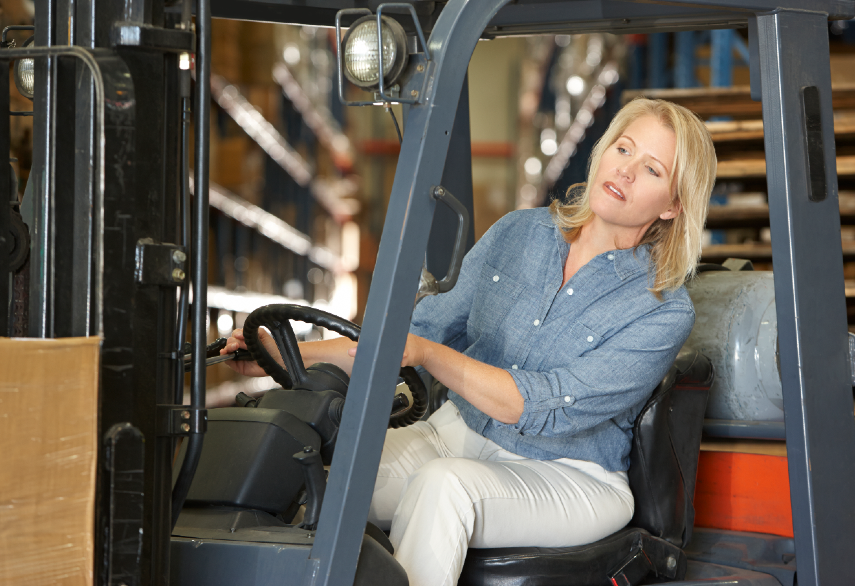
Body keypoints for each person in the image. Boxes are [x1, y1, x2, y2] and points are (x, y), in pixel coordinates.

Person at [221, 97, 717, 586]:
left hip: (572, 472)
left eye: (652, 169)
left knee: (445, 488)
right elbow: (413, 338)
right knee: (310, 477)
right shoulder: (520, 233)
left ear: (674, 206)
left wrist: (431, 356)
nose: (626, 171)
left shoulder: (663, 309)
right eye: (624, 149)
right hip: (455, 432)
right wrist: (277, 354)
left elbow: (546, 406)